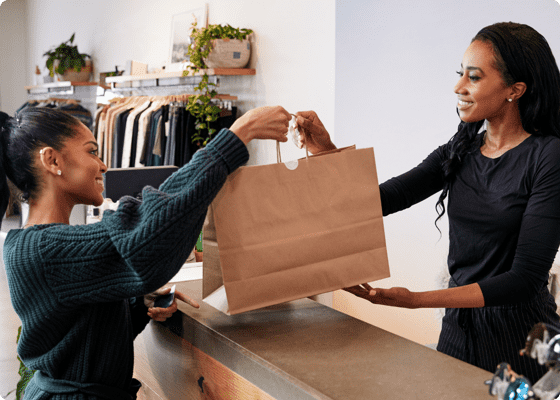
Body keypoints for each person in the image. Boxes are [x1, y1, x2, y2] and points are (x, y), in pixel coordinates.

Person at [296, 22, 560, 383]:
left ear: (515, 90)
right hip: (458, 334)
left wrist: (416, 300)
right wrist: (323, 150)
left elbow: (526, 279)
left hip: (524, 344)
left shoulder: (548, 156)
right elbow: (383, 199)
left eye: (474, 77)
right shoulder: (461, 150)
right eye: (460, 74)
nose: (458, 87)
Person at [0, 105, 291, 398]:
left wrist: (139, 305)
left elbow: (78, 330)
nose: (102, 165)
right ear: (52, 160)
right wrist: (239, 135)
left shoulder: (38, 244)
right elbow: (147, 234)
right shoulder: (41, 250)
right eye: (92, 152)